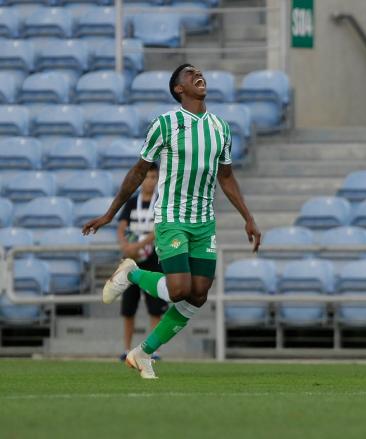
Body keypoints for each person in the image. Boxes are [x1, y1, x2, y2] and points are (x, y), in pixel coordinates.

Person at [82, 64, 261, 379]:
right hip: (172, 217)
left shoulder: (221, 127)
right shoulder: (165, 124)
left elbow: (227, 176)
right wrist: (110, 214)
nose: (198, 74)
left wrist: (248, 218)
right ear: (179, 88)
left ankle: (142, 353)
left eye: (199, 72)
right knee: (179, 290)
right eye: (190, 73)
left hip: (204, 222)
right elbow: (139, 171)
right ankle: (133, 273)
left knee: (199, 294)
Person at [116, 162, 167, 361]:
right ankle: (127, 349)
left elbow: (158, 229)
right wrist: (124, 246)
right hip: (132, 260)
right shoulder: (131, 202)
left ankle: (152, 349)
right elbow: (121, 227)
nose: (150, 181)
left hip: (154, 259)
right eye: (146, 177)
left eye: (154, 177)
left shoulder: (161, 203)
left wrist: (138, 245)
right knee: (128, 307)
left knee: (155, 306)